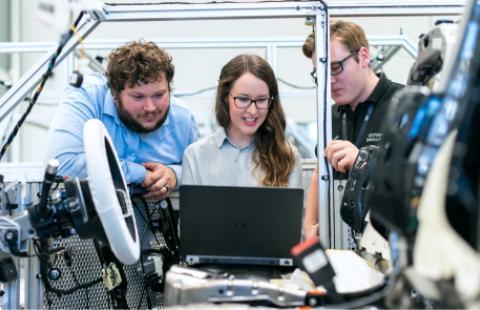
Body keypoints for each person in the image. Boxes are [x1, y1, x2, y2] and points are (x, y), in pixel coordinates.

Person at [46, 40, 198, 200]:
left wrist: (174, 174)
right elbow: (62, 162)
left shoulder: (183, 119)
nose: (151, 107)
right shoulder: (87, 98)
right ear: (115, 94)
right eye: (138, 97)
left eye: (159, 95)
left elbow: (198, 172)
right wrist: (141, 174)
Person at [302, 20, 403, 238]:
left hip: (389, 241)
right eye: (320, 74)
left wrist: (363, 162)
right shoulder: (331, 116)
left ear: (364, 57)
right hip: (342, 243)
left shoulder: (404, 106)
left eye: (335, 67)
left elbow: (417, 182)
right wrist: (310, 225)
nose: (329, 80)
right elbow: (320, 171)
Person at [182, 54, 302, 188]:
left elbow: (291, 209)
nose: (252, 111)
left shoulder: (288, 156)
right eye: (243, 99)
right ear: (226, 98)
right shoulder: (195, 156)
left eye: (261, 100)